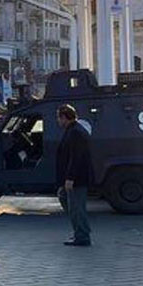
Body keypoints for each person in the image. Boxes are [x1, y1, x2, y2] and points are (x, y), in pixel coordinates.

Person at [56, 104, 93, 247]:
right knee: (68, 201)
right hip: (74, 177)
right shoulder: (73, 130)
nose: (58, 121)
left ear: (64, 117)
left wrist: (70, 178)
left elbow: (76, 157)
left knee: (77, 208)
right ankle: (80, 231)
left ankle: (82, 236)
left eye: (59, 118)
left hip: (77, 179)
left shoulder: (75, 132)